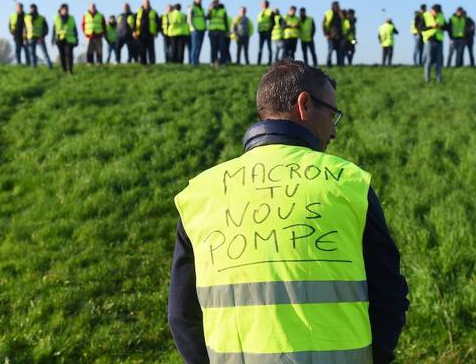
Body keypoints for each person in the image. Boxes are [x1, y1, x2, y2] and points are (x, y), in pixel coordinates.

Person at [168, 59, 410, 364]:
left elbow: (181, 315)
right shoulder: (347, 184)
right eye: (332, 115)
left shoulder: (201, 193)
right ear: (304, 104)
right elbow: (389, 298)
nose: (333, 132)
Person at [422, 4, 446, 83]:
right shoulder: (425, 15)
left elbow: (446, 26)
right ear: (431, 10)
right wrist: (432, 26)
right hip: (429, 40)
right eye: (435, 11)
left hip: (439, 40)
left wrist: (441, 26)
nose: (436, 13)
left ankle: (439, 81)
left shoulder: (441, 16)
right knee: (428, 60)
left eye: (438, 11)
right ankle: (427, 80)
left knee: (439, 62)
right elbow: (421, 27)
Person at [52, 3, 78, 74]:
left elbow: (75, 29)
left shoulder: (71, 18)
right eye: (64, 9)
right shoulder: (56, 18)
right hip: (60, 39)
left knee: (69, 54)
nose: (66, 11)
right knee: (62, 55)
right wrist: (52, 40)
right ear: (60, 10)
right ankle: (64, 69)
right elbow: (54, 30)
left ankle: (70, 70)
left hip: (69, 39)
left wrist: (76, 39)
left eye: (67, 9)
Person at [24, 4, 53, 69]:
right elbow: (25, 29)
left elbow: (46, 29)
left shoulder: (41, 18)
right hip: (30, 38)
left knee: (45, 53)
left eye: (33, 9)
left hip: (40, 38)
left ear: (36, 9)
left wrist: (42, 36)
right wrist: (24, 38)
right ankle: (34, 67)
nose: (32, 10)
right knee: (32, 54)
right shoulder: (26, 18)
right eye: (31, 9)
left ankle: (50, 66)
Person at [135, 0, 160, 65]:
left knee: (151, 49)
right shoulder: (138, 12)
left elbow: (158, 23)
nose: (147, 4)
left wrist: (157, 32)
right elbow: (134, 22)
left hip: (150, 33)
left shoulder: (154, 12)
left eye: (148, 3)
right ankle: (143, 63)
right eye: (146, 3)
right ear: (143, 4)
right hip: (140, 33)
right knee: (141, 49)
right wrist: (134, 31)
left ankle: (152, 62)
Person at [207, 0, 229, 66]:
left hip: (221, 32)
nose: (216, 3)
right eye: (214, 2)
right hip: (212, 31)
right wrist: (210, 10)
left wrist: (227, 31)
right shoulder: (211, 10)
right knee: (213, 48)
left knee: (222, 48)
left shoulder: (223, 10)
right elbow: (207, 17)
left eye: (217, 2)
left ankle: (223, 62)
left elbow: (226, 22)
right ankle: (212, 62)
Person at [323, 1, 344, 66]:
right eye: (336, 6)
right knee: (330, 50)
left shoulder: (341, 14)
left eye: (338, 6)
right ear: (333, 7)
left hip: (339, 35)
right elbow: (323, 24)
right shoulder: (328, 14)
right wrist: (326, 34)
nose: (338, 7)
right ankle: (329, 64)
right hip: (330, 35)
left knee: (339, 51)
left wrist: (341, 14)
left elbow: (345, 21)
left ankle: (340, 64)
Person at [188, 0, 206, 65]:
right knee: (195, 46)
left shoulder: (201, 9)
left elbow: (204, 18)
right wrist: (193, 27)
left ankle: (197, 61)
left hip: (202, 29)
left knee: (199, 46)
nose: (200, 0)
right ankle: (193, 62)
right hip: (195, 30)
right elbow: (189, 18)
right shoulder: (192, 7)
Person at [257, 0, 274, 65]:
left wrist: (270, 29)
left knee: (269, 48)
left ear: (266, 4)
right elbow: (259, 23)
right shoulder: (260, 13)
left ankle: (269, 62)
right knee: (260, 48)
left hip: (267, 32)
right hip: (261, 32)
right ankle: (258, 62)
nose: (262, 4)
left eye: (263, 3)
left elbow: (273, 22)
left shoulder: (270, 11)